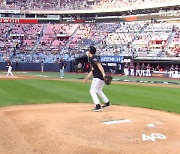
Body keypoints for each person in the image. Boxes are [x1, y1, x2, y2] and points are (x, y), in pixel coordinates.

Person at [84, 46, 111, 112]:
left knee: (92, 91)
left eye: (88, 50)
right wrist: (87, 78)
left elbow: (99, 65)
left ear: (90, 51)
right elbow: (92, 70)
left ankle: (98, 106)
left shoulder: (94, 58)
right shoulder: (91, 59)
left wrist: (103, 74)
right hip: (99, 77)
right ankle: (107, 102)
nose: (87, 52)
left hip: (98, 77)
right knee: (98, 90)